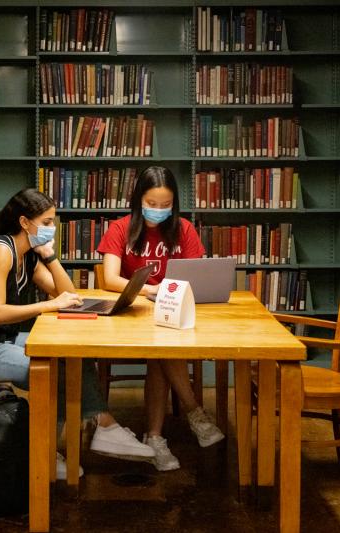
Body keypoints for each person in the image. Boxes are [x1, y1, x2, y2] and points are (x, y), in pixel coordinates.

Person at [0, 188, 155, 479]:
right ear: (24, 222)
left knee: (73, 354)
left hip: (1, 341)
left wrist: (50, 256)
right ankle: (54, 450)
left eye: (53, 222)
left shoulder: (26, 254)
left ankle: (101, 428)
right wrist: (49, 305)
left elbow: (69, 294)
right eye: (46, 222)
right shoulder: (1, 251)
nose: (52, 228)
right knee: (58, 370)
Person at [96, 166, 224, 471]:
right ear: (139, 199)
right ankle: (194, 412)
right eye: (152, 204)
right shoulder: (120, 229)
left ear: (174, 204)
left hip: (173, 313)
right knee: (162, 347)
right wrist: (151, 289)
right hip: (133, 315)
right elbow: (110, 278)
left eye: (165, 205)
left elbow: (197, 274)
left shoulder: (184, 230)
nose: (158, 210)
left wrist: (172, 294)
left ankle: (154, 437)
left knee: (161, 351)